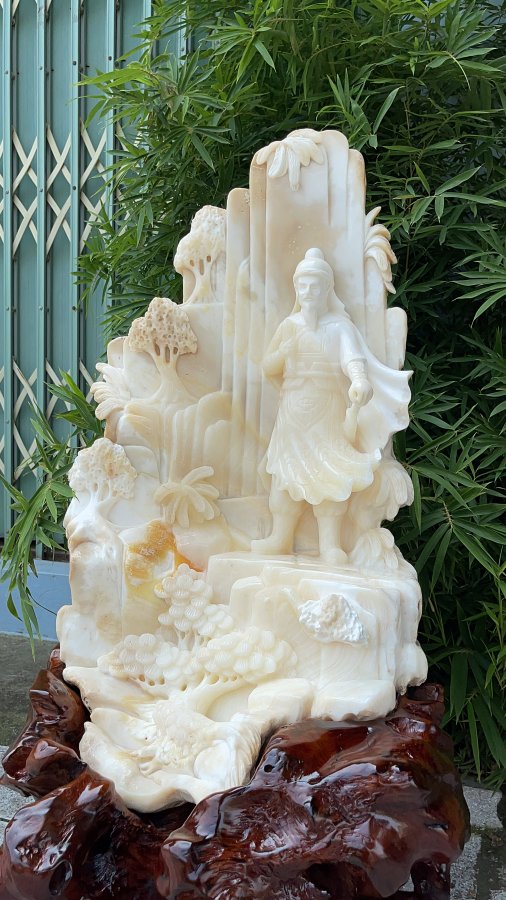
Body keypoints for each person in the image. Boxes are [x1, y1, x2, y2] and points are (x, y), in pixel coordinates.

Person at [253, 247, 405, 564]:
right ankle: (280, 537)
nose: (308, 291)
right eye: (303, 285)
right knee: (285, 474)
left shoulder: (339, 328)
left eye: (315, 285)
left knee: (329, 473)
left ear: (326, 289)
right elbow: (267, 367)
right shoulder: (289, 326)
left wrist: (359, 381)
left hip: (328, 408)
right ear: (296, 289)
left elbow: (353, 361)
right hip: (292, 410)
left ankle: (330, 544)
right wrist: (283, 353)